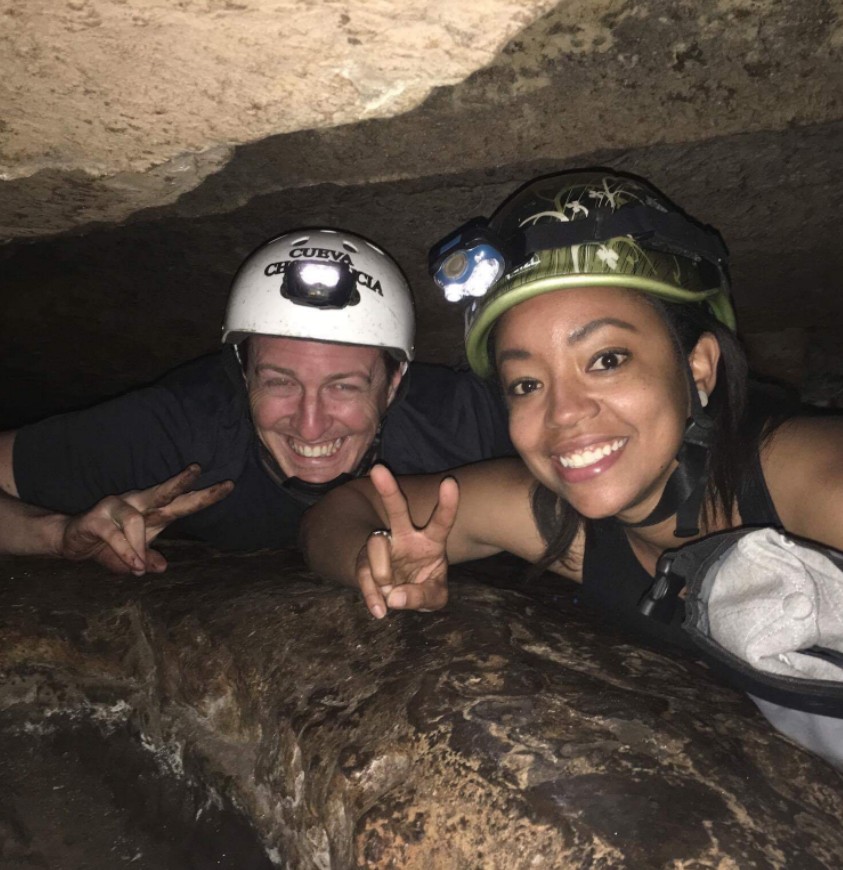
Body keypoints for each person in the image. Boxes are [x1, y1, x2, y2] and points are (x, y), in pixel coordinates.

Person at [300, 170, 843, 631]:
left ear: (697, 366)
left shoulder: (817, 487)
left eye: (607, 360)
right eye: (527, 384)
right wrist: (372, 561)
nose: (562, 412)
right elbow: (341, 511)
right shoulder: (567, 527)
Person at [0, 228, 513, 575]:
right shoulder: (184, 433)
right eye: (279, 382)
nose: (310, 426)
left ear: (395, 382)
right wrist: (57, 534)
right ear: (243, 374)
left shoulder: (458, 423)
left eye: (345, 386)